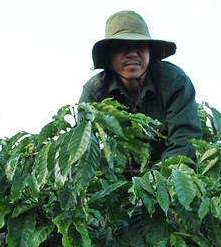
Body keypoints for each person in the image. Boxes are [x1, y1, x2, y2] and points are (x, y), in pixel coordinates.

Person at [79, 10, 202, 161]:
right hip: (118, 175)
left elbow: (184, 141)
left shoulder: (174, 83)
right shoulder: (95, 93)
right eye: (122, 47)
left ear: (150, 52)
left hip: (167, 174)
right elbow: (85, 148)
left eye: (140, 46)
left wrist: (157, 181)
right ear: (108, 56)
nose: (132, 53)